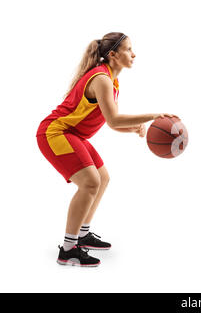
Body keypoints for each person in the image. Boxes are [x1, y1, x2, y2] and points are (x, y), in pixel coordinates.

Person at [36, 32, 175, 267]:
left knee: (102, 178)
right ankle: (69, 249)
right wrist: (153, 115)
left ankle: (82, 234)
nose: (134, 54)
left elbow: (109, 121)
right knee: (90, 182)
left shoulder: (111, 80)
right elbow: (113, 119)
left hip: (72, 134)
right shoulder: (101, 79)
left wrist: (132, 129)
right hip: (55, 133)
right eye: (129, 49)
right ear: (113, 55)